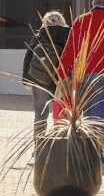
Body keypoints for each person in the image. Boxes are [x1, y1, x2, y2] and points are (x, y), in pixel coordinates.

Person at [22, 11, 70, 142]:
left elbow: (28, 58)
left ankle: (39, 144)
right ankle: (60, 144)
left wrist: (26, 79)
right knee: (62, 114)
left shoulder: (39, 35)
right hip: (62, 81)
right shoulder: (69, 35)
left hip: (40, 80)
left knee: (40, 114)